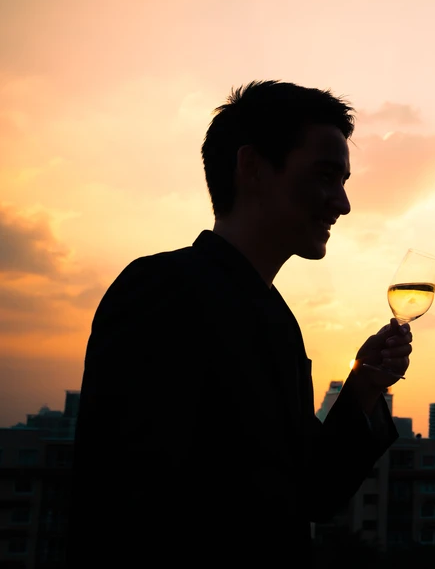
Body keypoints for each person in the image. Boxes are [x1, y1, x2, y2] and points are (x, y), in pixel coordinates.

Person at [69, 81, 411, 568]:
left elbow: (310, 493)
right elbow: (129, 503)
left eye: (345, 181)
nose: (343, 203)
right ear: (252, 167)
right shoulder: (160, 290)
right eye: (326, 176)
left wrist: (362, 389)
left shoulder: (276, 317)